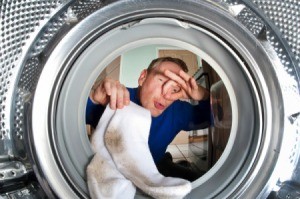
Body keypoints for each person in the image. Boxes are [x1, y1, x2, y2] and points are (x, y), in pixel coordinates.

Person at [86, 57, 211, 181]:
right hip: (116, 168)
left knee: (199, 181)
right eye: (162, 81)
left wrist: (204, 95)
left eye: (175, 90)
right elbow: (75, 121)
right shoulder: (116, 99)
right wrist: (93, 99)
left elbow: (213, 119)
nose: (166, 95)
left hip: (156, 164)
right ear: (143, 77)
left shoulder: (177, 111)